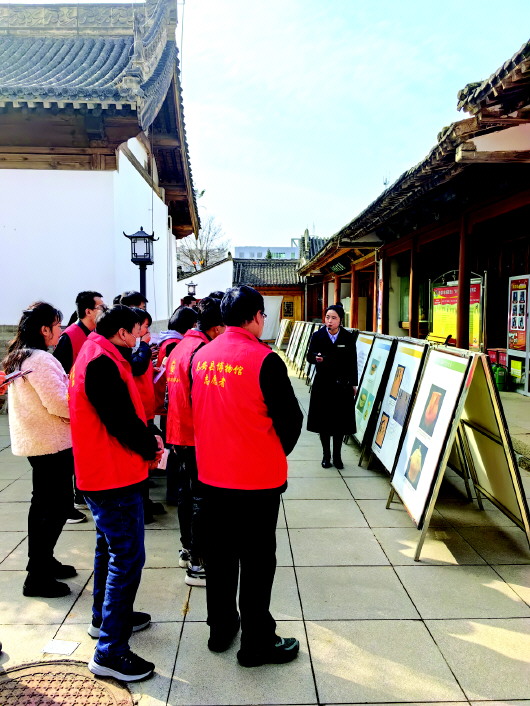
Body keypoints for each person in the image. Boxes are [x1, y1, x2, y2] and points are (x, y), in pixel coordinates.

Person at [192, 285, 303, 667]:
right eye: (262, 315)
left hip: (211, 477)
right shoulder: (264, 359)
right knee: (257, 561)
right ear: (256, 316)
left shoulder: (202, 357)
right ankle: (256, 642)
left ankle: (221, 628)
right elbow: (291, 420)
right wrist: (271, 451)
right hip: (256, 482)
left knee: (219, 558)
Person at [68, 305, 163, 682]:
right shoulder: (101, 361)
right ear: (122, 332)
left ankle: (103, 618)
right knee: (127, 557)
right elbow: (120, 419)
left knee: (109, 548)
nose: (140, 339)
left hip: (103, 471)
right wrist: (150, 444)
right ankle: (110, 650)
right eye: (137, 332)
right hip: (112, 474)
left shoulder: (96, 352)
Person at [3, 302, 77, 598]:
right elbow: (59, 402)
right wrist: (78, 406)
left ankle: (43, 561)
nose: (60, 330)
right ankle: (37, 575)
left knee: (46, 504)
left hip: (39, 441)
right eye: (57, 325)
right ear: (44, 329)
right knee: (54, 506)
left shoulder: (21, 355)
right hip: (51, 442)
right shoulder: (41, 359)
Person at [166, 297, 226, 586]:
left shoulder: (181, 346)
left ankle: (188, 549)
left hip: (179, 431)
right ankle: (198, 563)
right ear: (216, 328)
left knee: (186, 494)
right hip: (196, 433)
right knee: (201, 497)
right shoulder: (203, 351)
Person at [54, 290, 107, 523]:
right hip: (73, 405)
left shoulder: (94, 333)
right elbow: (59, 373)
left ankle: (81, 494)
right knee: (70, 458)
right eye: (100, 307)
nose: (103, 310)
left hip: (87, 403)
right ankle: (70, 502)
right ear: (88, 311)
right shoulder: (70, 336)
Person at [306, 304, 358, 469]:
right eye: (327, 317)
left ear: (341, 320)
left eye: (333, 318)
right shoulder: (318, 336)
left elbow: (353, 362)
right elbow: (309, 356)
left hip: (342, 386)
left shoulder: (348, 337)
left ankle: (337, 456)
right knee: (324, 422)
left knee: (339, 423)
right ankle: (326, 456)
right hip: (323, 385)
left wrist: (353, 383)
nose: (329, 321)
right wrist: (316, 358)